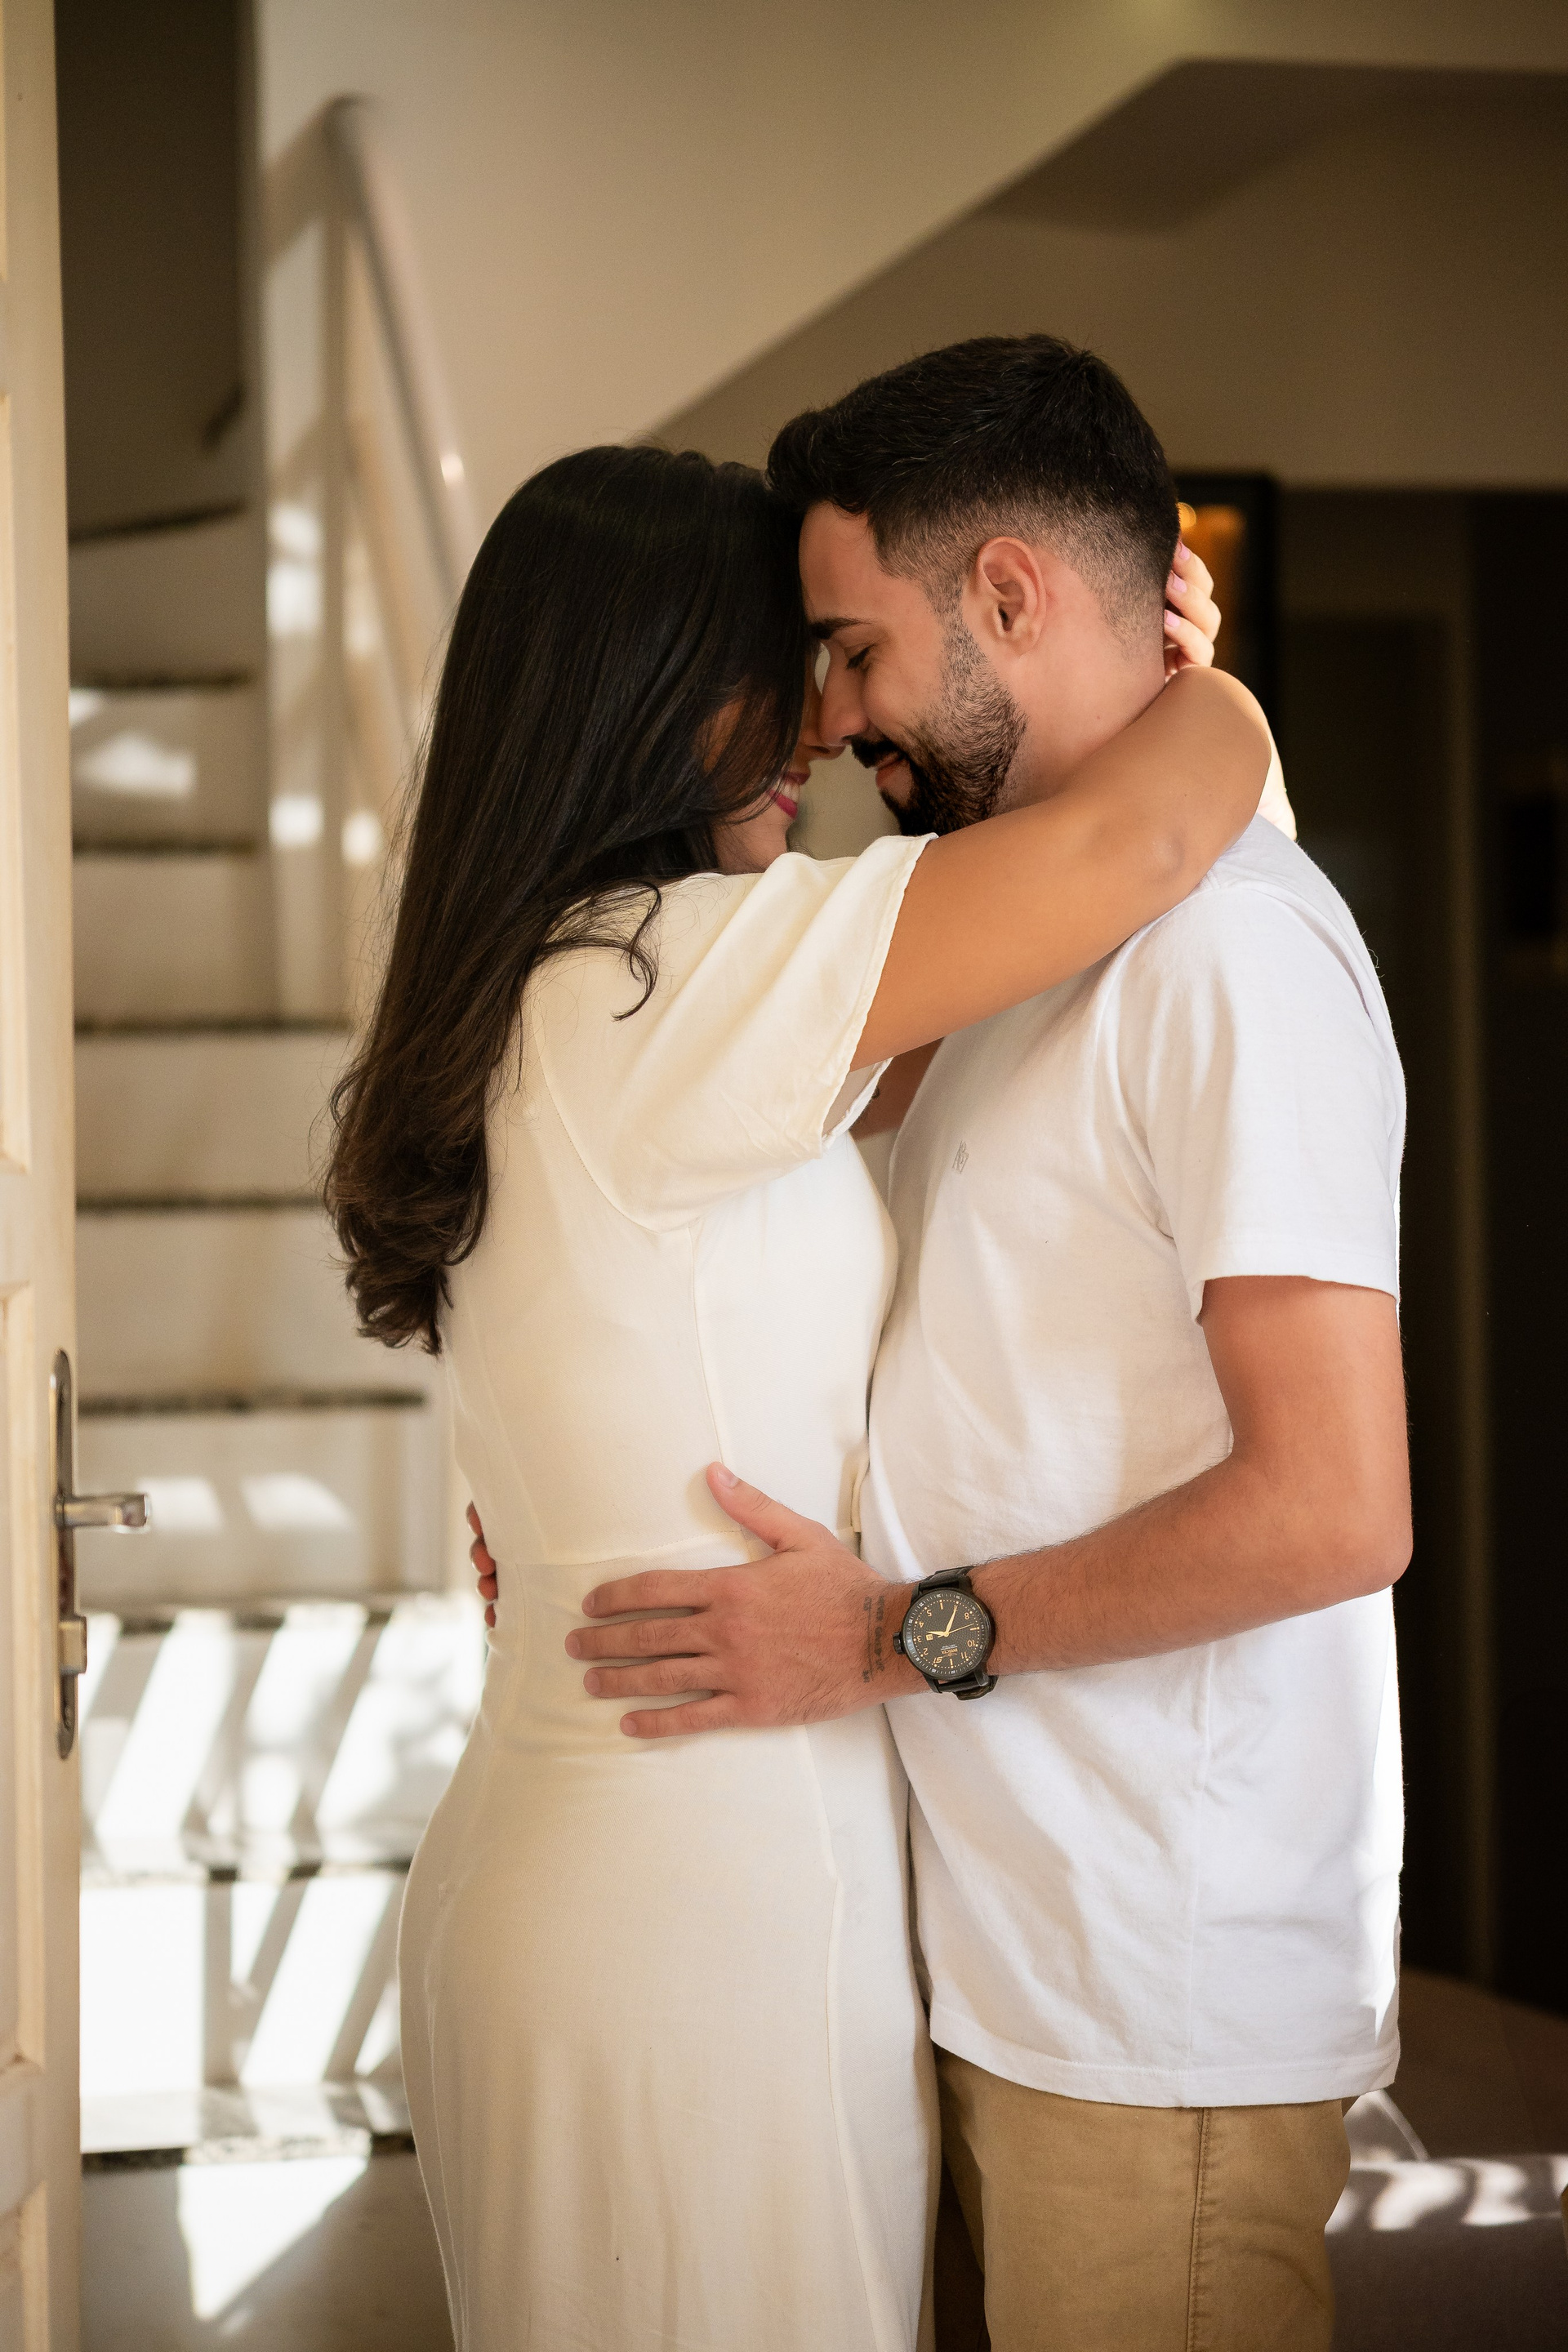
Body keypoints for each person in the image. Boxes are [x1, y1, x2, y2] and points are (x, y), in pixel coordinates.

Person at [328, 430, 1260, 2351]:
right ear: (642, 689)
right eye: (779, 667)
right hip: (702, 1896)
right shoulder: (663, 975)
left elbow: (975, 1006)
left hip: (595, 1848)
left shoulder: (561, 987)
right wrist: (1206, 686)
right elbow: (1140, 847)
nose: (821, 727)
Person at [555, 339, 1411, 2352]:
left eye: (854, 651)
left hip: (1153, 2001)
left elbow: (1337, 1507)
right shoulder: (1021, 935)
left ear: (1009, 596)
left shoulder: (1234, 957)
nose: (833, 715)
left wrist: (884, 1637)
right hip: (995, 1956)